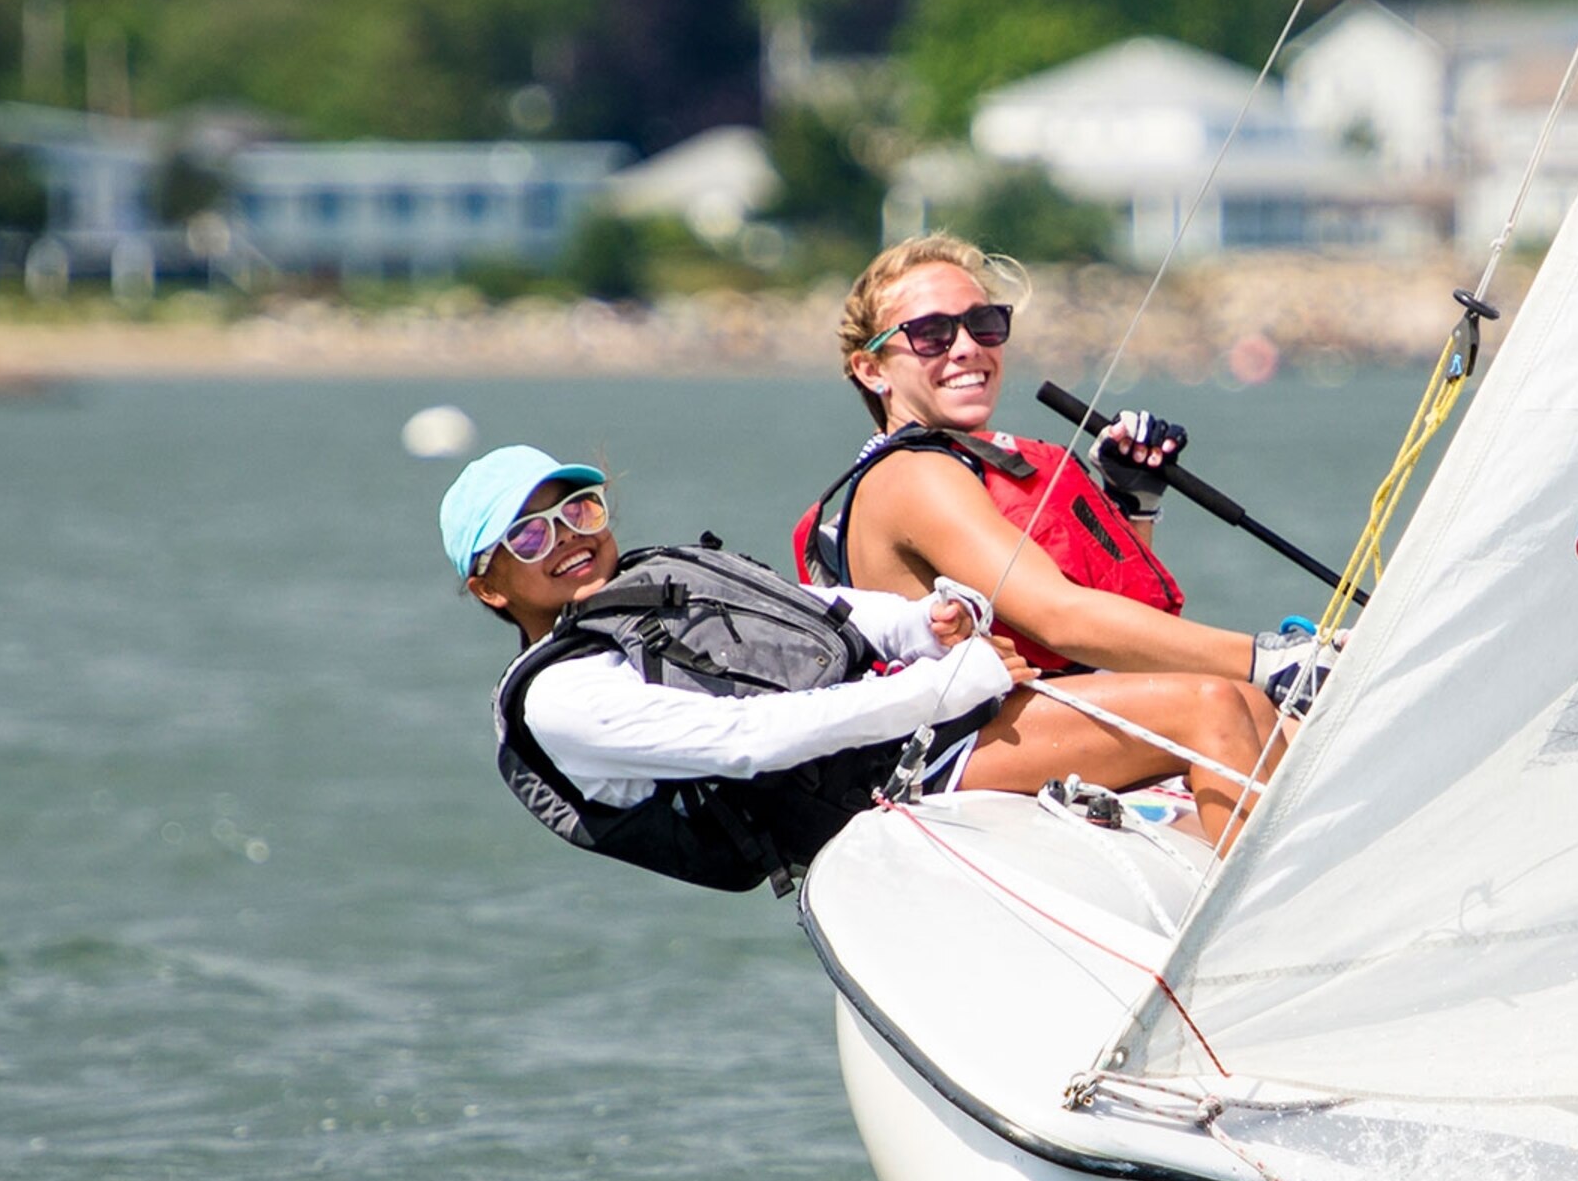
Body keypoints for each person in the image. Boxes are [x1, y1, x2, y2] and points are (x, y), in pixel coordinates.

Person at [444, 445, 1288, 888]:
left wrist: (929, 622)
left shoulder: (659, 574)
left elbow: (834, 614)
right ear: (490, 588)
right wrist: (940, 687)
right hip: (878, 785)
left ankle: (1311, 929)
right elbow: (747, 739)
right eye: (530, 536)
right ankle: (1274, 964)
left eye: (578, 509)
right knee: (1212, 709)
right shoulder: (561, 695)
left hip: (926, 726)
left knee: (1250, 708)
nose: (570, 539)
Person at [798, 233, 1332, 709]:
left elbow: (1122, 635)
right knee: (1216, 703)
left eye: (983, 325)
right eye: (931, 334)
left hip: (1036, 719)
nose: (966, 349)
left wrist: (1133, 503)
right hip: (955, 749)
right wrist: (1275, 661)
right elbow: (1061, 618)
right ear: (871, 370)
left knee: (1250, 714)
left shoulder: (957, 465)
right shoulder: (914, 475)